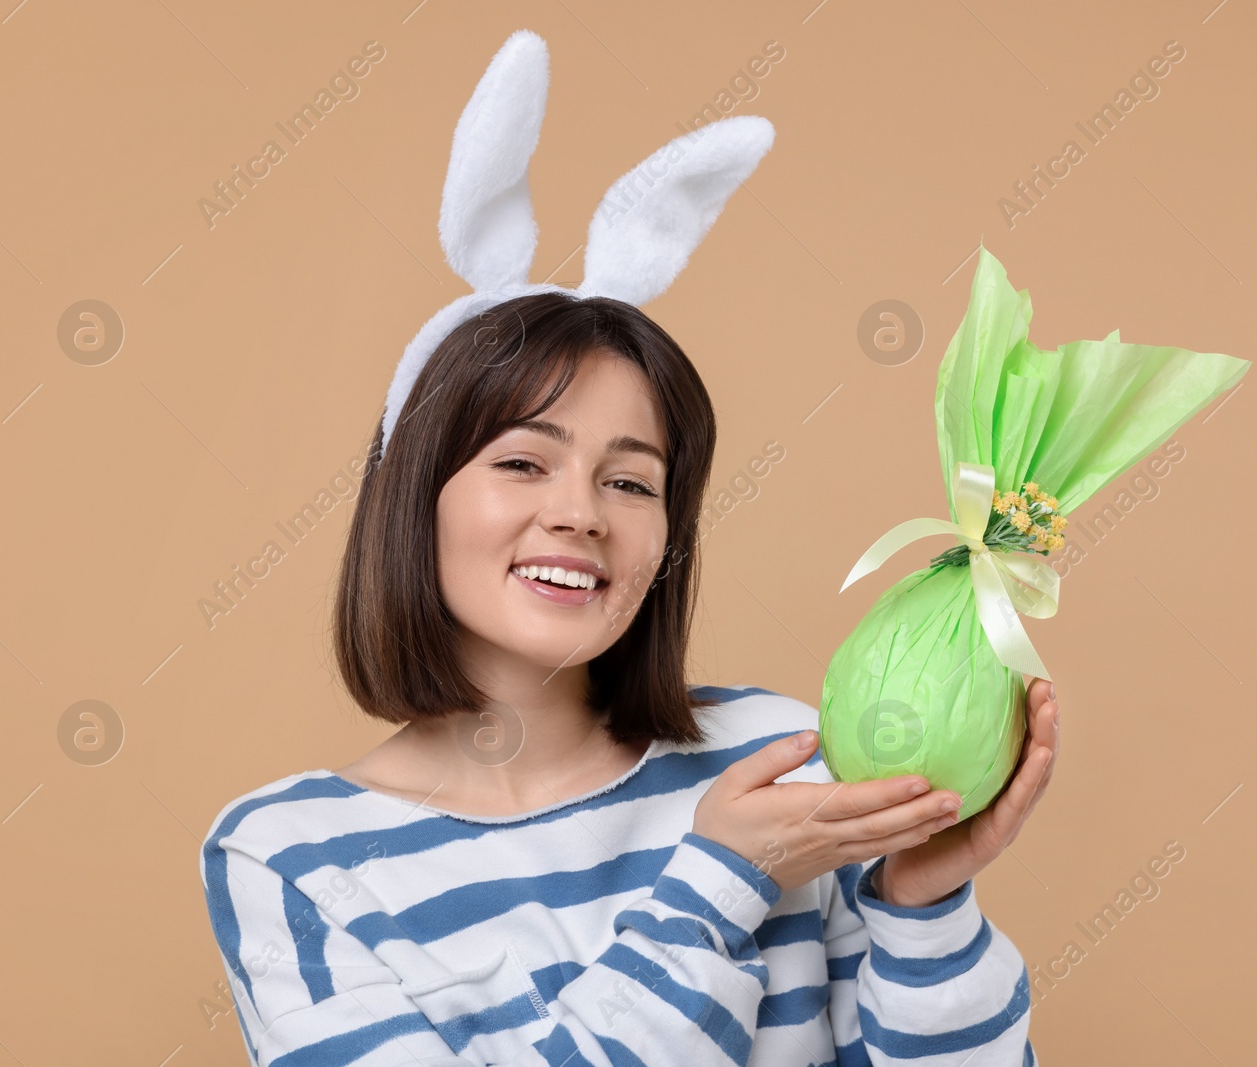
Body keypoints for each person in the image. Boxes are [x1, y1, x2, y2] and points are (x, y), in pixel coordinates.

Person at [199, 293, 1060, 1066]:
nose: (580, 513)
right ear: (414, 496)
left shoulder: (776, 758)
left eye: (629, 481)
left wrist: (923, 907)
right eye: (522, 463)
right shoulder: (291, 861)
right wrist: (720, 884)